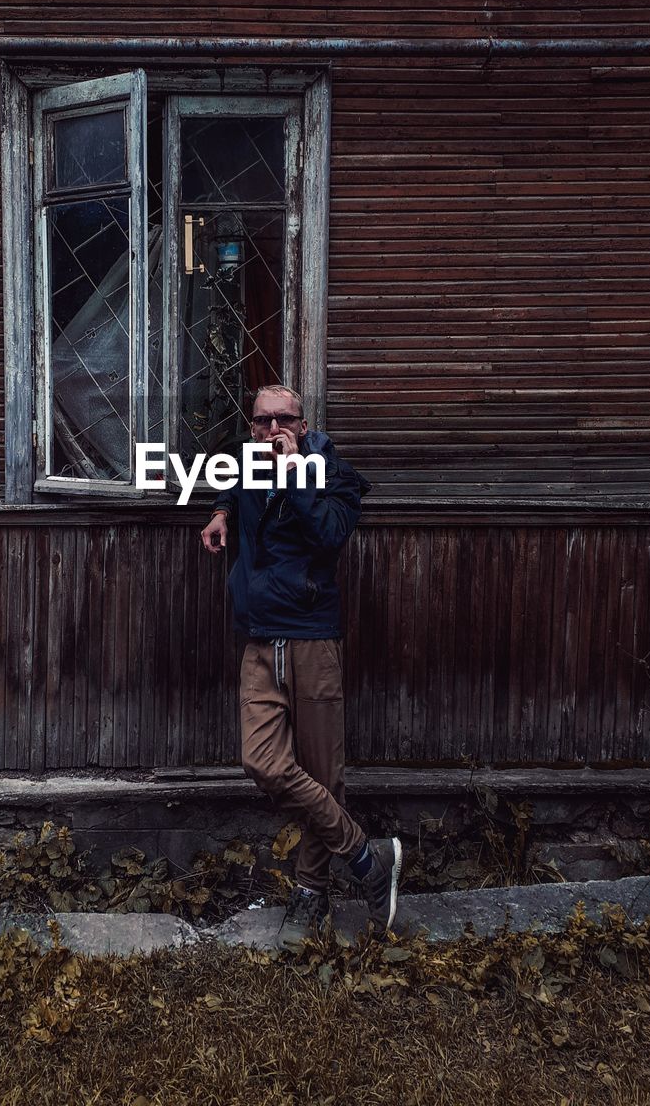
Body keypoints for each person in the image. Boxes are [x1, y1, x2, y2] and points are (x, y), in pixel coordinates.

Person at [200, 383, 403, 949]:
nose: (270, 431)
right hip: (260, 641)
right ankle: (367, 854)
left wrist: (296, 474)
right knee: (261, 761)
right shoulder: (246, 467)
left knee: (322, 771)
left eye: (281, 420)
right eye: (260, 422)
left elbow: (332, 534)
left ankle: (311, 891)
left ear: (303, 425)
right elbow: (232, 487)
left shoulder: (331, 474)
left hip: (313, 640)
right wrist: (220, 511)